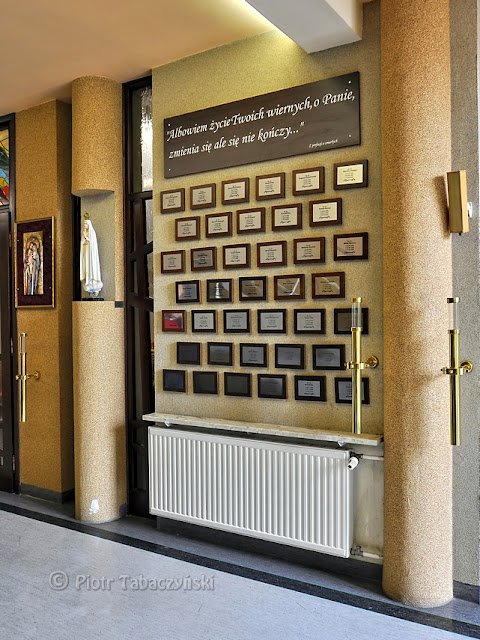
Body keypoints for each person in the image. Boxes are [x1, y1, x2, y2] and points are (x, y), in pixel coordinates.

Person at [80, 219, 103, 296]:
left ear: (89, 225)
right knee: (86, 267)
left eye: (86, 224)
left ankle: (94, 283)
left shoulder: (92, 233)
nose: (84, 225)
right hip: (86, 253)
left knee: (91, 267)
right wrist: (84, 238)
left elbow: (92, 243)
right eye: (84, 224)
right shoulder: (84, 233)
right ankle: (88, 282)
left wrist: (86, 237)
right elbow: (82, 243)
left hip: (91, 254)